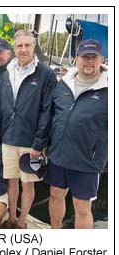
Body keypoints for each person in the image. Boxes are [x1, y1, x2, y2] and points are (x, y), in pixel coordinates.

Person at [0, 30, 57, 228]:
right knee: (11, 181)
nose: (23, 49)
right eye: (19, 46)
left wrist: (39, 142)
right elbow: (1, 103)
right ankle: (11, 218)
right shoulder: (7, 71)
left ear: (33, 46)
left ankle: (21, 222)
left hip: (31, 142)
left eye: (27, 45)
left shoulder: (45, 74)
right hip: (8, 137)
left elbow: (47, 111)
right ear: (14, 47)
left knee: (28, 184)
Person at [45, 39, 108, 229]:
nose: (88, 62)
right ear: (75, 59)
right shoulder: (62, 84)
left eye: (93, 58)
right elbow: (51, 116)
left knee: (82, 208)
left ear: (101, 60)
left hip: (87, 160)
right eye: (84, 57)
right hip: (58, 155)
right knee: (55, 194)